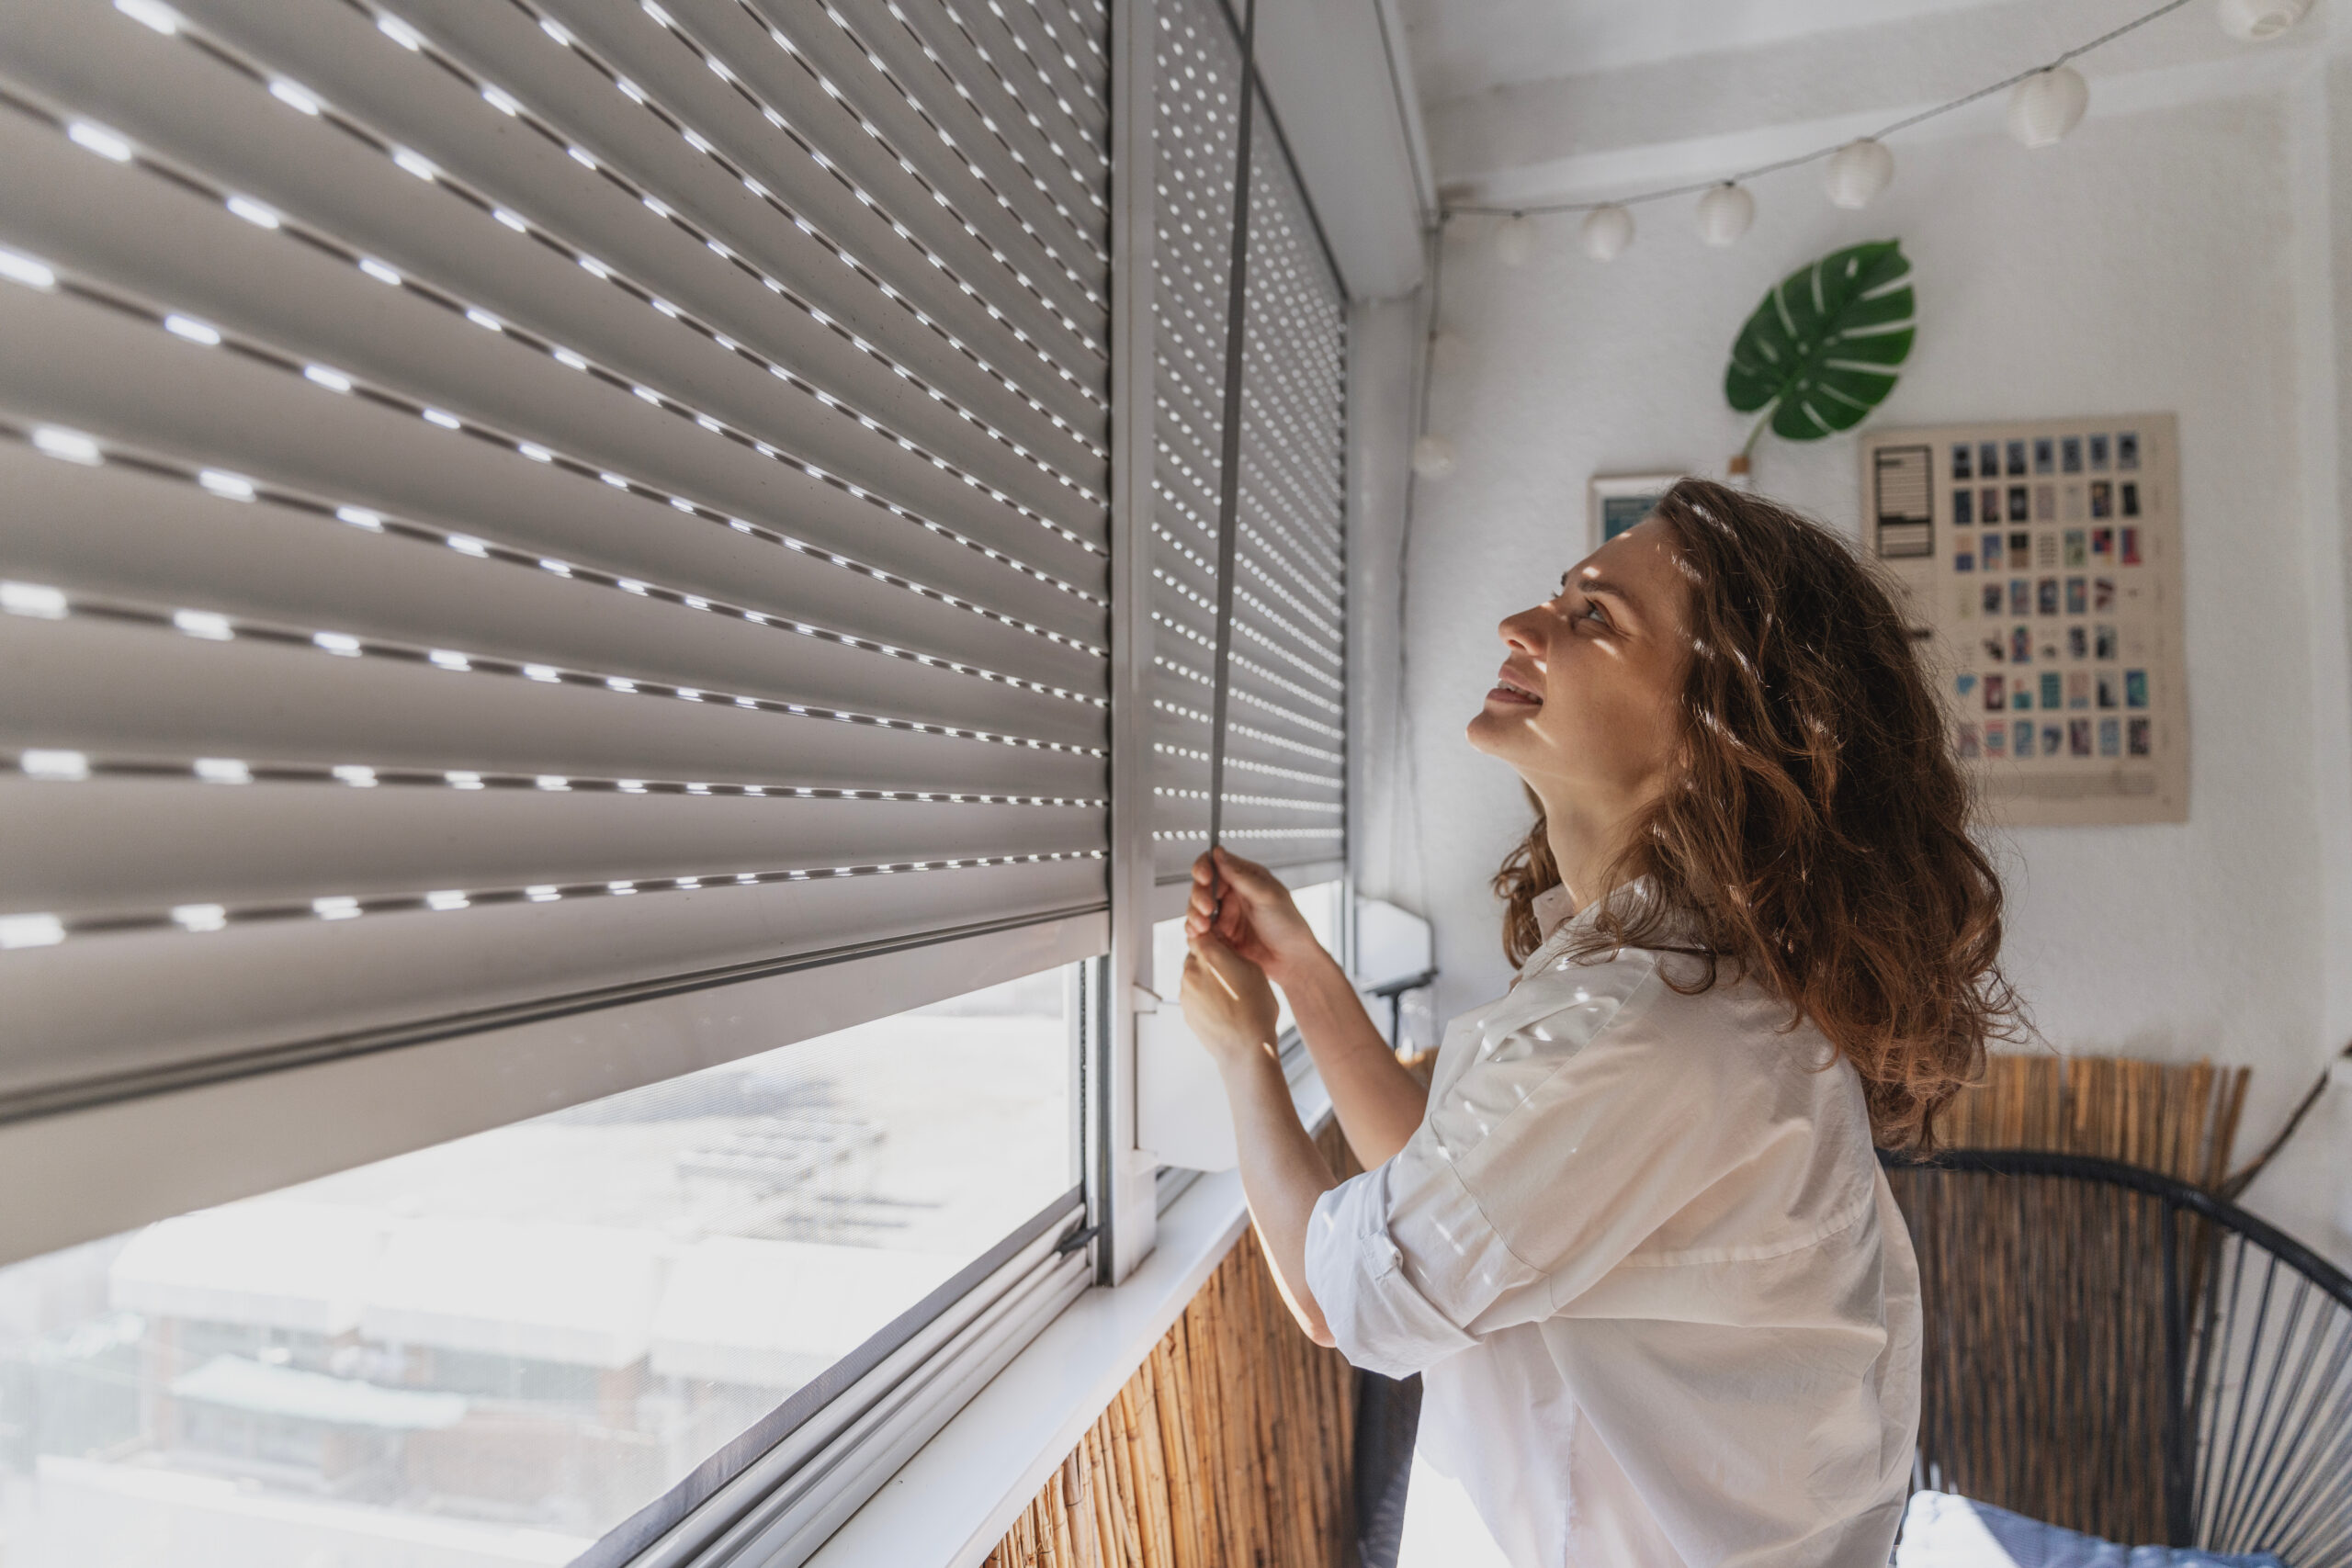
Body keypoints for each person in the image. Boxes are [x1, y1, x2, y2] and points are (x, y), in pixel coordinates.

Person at [1179, 479, 2019, 1567]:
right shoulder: (1673, 985)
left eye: (1592, 620)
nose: (1519, 628)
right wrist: (1302, 976)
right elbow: (1459, 1195)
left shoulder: (1645, 1032)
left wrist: (1245, 1059)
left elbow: (1344, 1297)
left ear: (1710, 737)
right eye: (1557, 598)